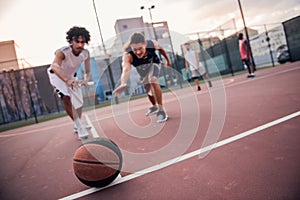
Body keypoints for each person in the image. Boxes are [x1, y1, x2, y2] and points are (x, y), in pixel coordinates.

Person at [113, 32, 171, 123]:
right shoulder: (128, 55)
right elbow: (125, 69)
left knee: (153, 80)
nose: (138, 52)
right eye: (135, 49)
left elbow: (161, 49)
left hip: (154, 64)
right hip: (142, 69)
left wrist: (167, 60)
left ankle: (161, 110)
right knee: (146, 86)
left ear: (145, 44)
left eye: (140, 48)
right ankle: (154, 106)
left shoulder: (152, 44)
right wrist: (123, 83)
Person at [47, 26, 91, 139]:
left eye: (83, 42)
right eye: (77, 41)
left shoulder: (85, 53)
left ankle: (77, 123)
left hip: (71, 76)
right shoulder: (62, 52)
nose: (80, 45)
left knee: (79, 103)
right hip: (57, 75)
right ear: (71, 41)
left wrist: (86, 80)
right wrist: (67, 80)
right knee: (66, 98)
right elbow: (55, 66)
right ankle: (79, 126)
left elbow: (87, 70)